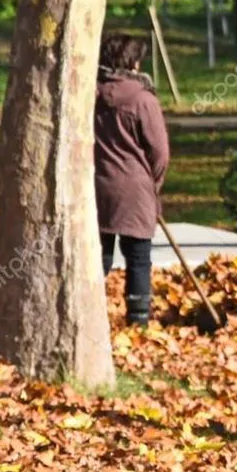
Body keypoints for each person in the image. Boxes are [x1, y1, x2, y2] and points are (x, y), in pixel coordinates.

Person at [94, 34, 170, 326]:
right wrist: (153, 186)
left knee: (97, 258)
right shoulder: (142, 100)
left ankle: (91, 317)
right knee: (138, 259)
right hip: (135, 189)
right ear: (133, 63)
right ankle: (138, 322)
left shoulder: (89, 95)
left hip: (95, 185)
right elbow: (160, 152)